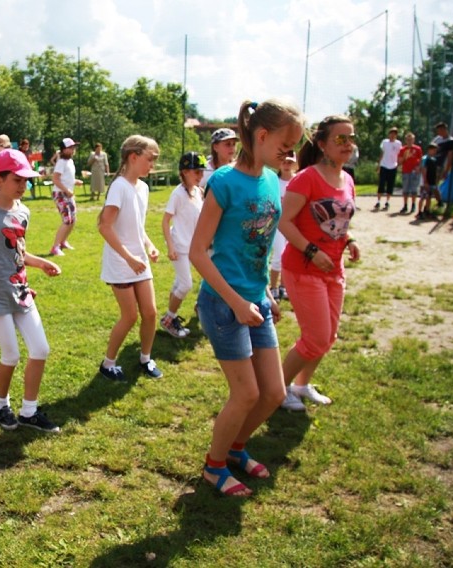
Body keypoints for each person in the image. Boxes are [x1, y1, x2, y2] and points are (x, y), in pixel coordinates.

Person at [189, 100, 303, 496]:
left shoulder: (272, 180)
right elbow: (198, 252)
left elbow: (259, 247)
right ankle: (214, 466)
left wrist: (266, 293)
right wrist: (237, 302)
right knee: (246, 393)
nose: (290, 154)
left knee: (273, 392)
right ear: (261, 135)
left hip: (255, 301)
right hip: (223, 304)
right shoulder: (223, 181)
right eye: (286, 145)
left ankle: (236, 448)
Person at [0, 149, 62, 433]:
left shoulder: (24, 211)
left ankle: (29, 411)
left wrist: (41, 262)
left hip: (21, 290)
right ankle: (1, 406)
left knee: (41, 349)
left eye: (26, 180)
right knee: (10, 355)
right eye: (17, 179)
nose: (23, 185)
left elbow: (19, 252)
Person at [279, 115, 360, 412]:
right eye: (341, 138)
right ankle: (279, 389)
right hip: (303, 268)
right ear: (323, 144)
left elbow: (337, 219)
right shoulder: (306, 178)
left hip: (333, 270)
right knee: (315, 338)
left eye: (351, 138)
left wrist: (349, 240)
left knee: (327, 338)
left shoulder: (347, 179)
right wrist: (312, 251)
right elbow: (284, 222)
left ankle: (300, 386)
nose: (348, 144)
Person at [98, 135, 162, 382]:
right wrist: (128, 258)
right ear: (133, 157)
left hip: (139, 261)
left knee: (150, 313)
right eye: (149, 160)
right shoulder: (119, 187)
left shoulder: (143, 188)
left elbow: (137, 226)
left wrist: (150, 245)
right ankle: (108, 363)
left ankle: (145, 359)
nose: (152, 166)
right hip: (121, 263)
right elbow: (105, 226)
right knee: (130, 316)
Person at [160, 151, 205, 338]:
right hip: (179, 246)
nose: (201, 176)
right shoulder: (177, 194)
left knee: (180, 282)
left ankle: (172, 316)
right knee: (186, 284)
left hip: (192, 247)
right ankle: (168, 319)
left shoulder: (198, 192)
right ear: (185, 172)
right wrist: (170, 247)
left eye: (202, 172)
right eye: (197, 172)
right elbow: (165, 221)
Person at [270, 153, 298, 300]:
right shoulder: (274, 180)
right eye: (284, 162)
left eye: (289, 162)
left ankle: (284, 286)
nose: (286, 165)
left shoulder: (298, 180)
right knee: (278, 255)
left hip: (295, 224)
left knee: (289, 256)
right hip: (278, 224)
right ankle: (273, 287)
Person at [49, 137, 83, 256]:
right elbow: (56, 179)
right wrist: (66, 190)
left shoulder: (70, 162)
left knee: (73, 219)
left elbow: (66, 178)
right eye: (70, 148)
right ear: (63, 150)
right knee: (67, 220)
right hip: (60, 194)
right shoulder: (61, 162)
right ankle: (55, 247)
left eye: (73, 148)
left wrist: (75, 181)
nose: (73, 150)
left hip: (67, 193)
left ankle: (63, 242)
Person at [375, 127, 401, 211]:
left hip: (393, 166)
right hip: (384, 165)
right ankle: (378, 201)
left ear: (396, 135)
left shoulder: (398, 143)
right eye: (391, 133)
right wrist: (378, 165)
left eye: (395, 133)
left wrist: (399, 165)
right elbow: (382, 153)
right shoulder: (385, 142)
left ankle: (387, 201)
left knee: (390, 184)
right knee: (381, 183)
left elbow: (399, 154)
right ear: (389, 134)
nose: (393, 135)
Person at [431, 122, 453, 209]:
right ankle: (438, 202)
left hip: (440, 165)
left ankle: (440, 202)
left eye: (440, 130)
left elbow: (450, 156)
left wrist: (447, 169)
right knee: (431, 184)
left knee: (434, 184)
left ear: (444, 129)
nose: (439, 132)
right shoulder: (437, 139)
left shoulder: (450, 141)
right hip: (432, 164)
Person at [397, 133, 422, 215]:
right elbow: (399, 162)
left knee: (414, 189)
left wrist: (419, 168)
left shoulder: (418, 149)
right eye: (408, 139)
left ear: (413, 140)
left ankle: (413, 205)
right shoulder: (402, 150)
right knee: (405, 189)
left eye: (411, 139)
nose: (409, 141)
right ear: (405, 140)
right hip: (406, 171)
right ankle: (405, 205)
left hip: (414, 172)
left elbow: (421, 160)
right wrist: (404, 156)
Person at [416, 143, 439, 220]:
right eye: (434, 150)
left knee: (429, 197)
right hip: (425, 181)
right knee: (423, 197)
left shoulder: (434, 159)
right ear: (429, 150)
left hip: (431, 181)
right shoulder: (425, 158)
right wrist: (425, 181)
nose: (435, 152)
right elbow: (423, 169)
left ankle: (427, 211)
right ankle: (419, 212)